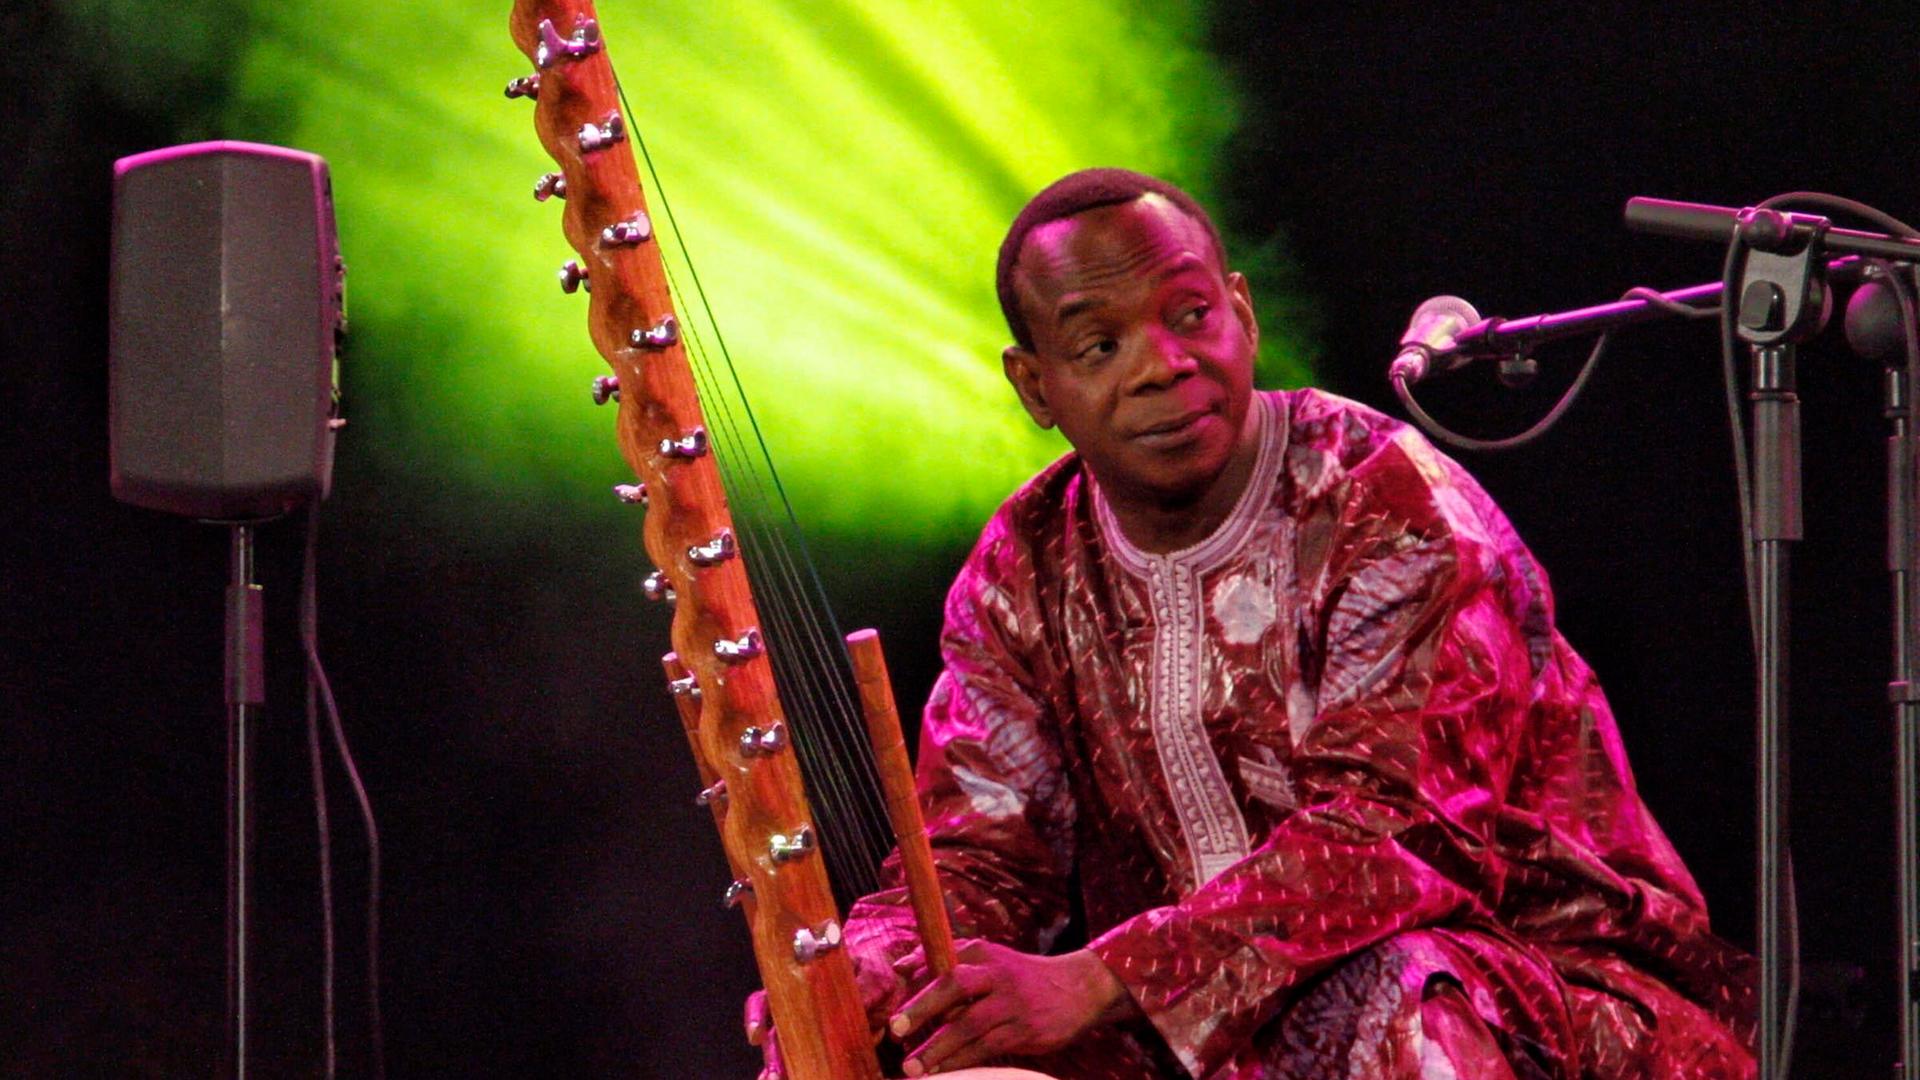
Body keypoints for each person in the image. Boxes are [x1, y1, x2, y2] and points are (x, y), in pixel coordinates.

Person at [749, 169, 1756, 1079]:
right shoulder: (1026, 565)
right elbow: (979, 861)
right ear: (1036, 385)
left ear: (1243, 313)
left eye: (1190, 314)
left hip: (1548, 991)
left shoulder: (1385, 499)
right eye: (1101, 344)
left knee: (1391, 992)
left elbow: (1391, 840)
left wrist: (1101, 980)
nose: (1162, 365)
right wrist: (862, 976)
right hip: (1220, 1033)